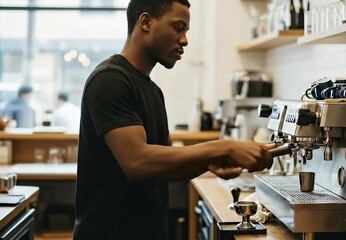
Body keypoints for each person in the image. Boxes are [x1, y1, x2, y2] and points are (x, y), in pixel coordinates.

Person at [73, 1, 274, 239]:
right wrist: (222, 147)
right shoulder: (110, 80)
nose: (185, 40)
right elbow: (137, 162)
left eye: (186, 31)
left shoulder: (153, 91)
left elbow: (164, 165)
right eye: (178, 28)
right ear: (145, 22)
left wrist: (209, 163)